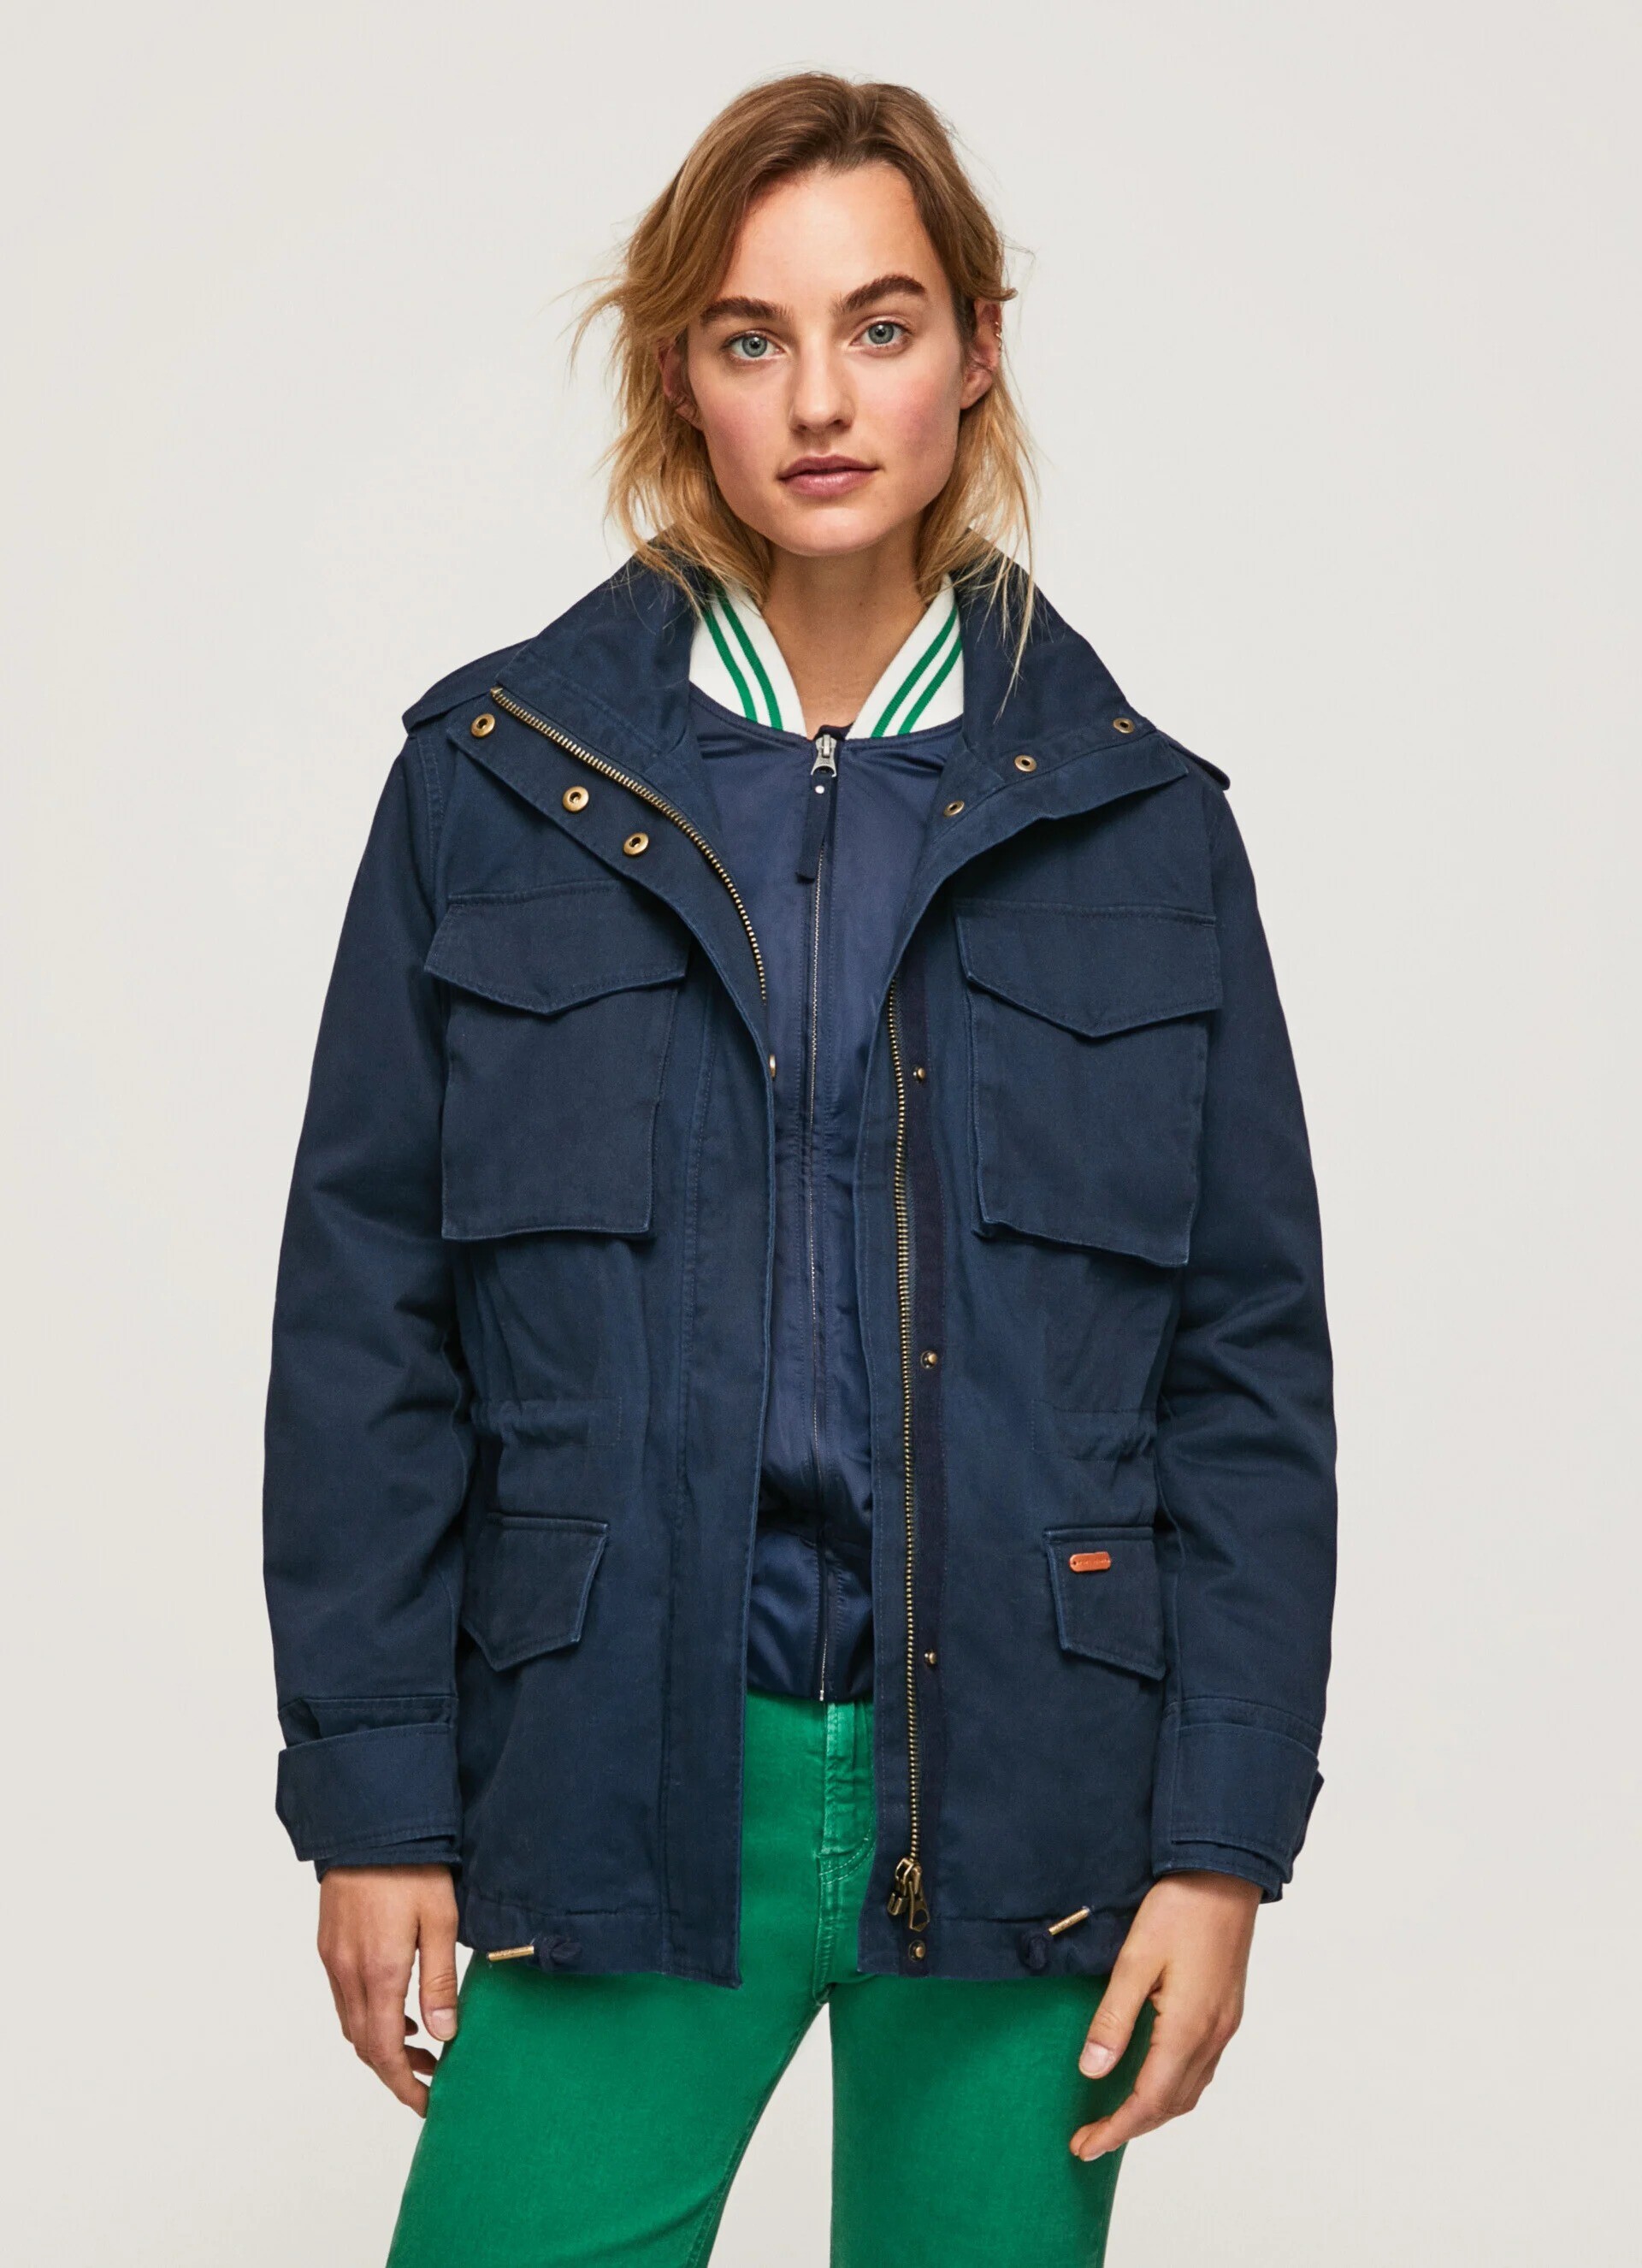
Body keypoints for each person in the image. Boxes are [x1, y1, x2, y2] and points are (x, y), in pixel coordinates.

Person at [262, 70, 1337, 2268]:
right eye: (754, 337)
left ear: (979, 352)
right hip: (619, 1769)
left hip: (1035, 1790)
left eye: (882, 324)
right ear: (683, 372)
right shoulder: (496, 787)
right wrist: (373, 1798)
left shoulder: (1144, 825)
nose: (822, 399)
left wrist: (1221, 1842)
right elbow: (367, 1329)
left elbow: (1245, 1371)